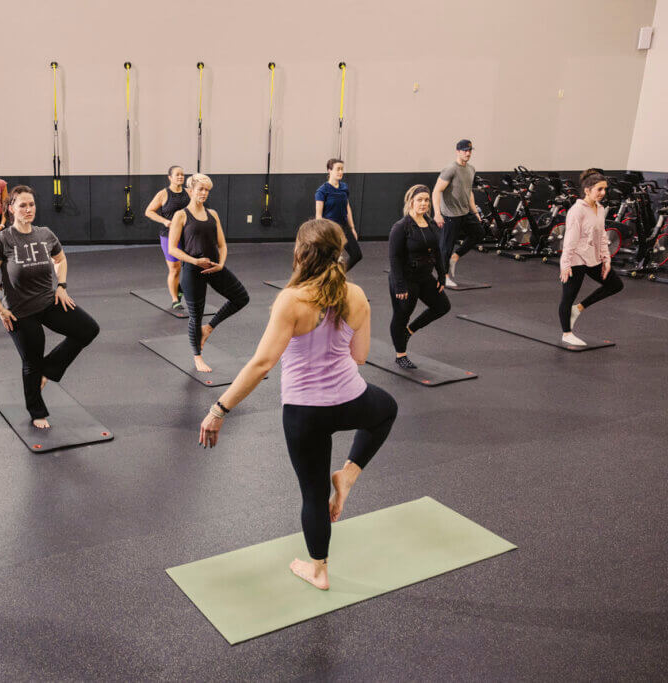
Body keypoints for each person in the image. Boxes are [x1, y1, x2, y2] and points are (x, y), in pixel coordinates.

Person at [198, 218, 397, 591]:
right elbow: (360, 356)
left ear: (301, 253)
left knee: (314, 495)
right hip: (351, 399)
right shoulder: (356, 295)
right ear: (340, 252)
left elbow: (262, 364)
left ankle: (319, 570)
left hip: (305, 414)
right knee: (386, 409)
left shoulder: (291, 300)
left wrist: (218, 410)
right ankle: (349, 474)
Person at [0, 185, 99, 430]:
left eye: (31, 204)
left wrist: (62, 286)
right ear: (11, 209)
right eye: (22, 205)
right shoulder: (2, 240)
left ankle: (47, 370)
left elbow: (60, 259)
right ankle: (36, 411)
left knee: (88, 329)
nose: (28, 209)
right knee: (31, 362)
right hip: (19, 312)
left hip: (48, 301)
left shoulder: (45, 234)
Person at [167, 174, 250, 373]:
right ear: (190, 191)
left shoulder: (213, 214)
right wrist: (195, 261)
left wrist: (221, 264)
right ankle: (198, 357)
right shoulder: (181, 215)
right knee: (196, 316)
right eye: (200, 189)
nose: (204, 193)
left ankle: (209, 328)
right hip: (193, 270)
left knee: (241, 298)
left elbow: (222, 245)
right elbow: (172, 249)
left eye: (207, 190)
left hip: (214, 267)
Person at [388, 185, 451, 369]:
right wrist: (400, 285)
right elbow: (394, 258)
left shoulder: (430, 223)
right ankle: (400, 355)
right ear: (411, 202)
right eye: (419, 200)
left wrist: (441, 275)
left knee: (442, 306)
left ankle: (409, 331)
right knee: (402, 315)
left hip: (425, 276)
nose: (423, 203)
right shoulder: (401, 227)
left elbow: (437, 252)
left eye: (426, 200)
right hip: (406, 278)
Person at [558, 169, 623, 346]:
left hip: (593, 257)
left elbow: (602, 236)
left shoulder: (600, 209)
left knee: (615, 285)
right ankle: (566, 333)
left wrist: (606, 259)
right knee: (568, 297)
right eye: (599, 189)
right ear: (587, 190)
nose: (603, 193)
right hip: (576, 259)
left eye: (605, 189)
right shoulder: (577, 211)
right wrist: (565, 265)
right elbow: (570, 240)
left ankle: (578, 309)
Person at [432, 139, 484, 287]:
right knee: (446, 247)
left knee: (479, 233)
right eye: (464, 150)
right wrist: (437, 213)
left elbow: (469, 192)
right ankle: (444, 276)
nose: (468, 153)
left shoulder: (471, 169)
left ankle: (456, 256)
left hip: (465, 212)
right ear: (458, 152)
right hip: (450, 214)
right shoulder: (451, 169)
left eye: (469, 150)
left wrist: (475, 212)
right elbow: (437, 191)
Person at [144, 165, 190, 308]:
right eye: (177, 175)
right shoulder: (163, 194)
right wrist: (164, 221)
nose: (181, 177)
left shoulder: (189, 192)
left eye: (182, 174)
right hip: (169, 235)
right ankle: (175, 299)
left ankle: (181, 287)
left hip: (187, 234)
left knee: (191, 266)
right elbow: (149, 211)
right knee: (175, 268)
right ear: (170, 177)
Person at [314, 158, 362, 269]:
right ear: (329, 170)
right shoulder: (322, 191)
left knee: (357, 255)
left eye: (342, 169)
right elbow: (318, 216)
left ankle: (339, 275)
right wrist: (321, 234)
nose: (340, 172)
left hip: (344, 227)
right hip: (330, 229)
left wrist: (352, 228)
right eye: (338, 169)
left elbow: (347, 207)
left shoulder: (344, 187)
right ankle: (326, 277)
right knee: (332, 259)